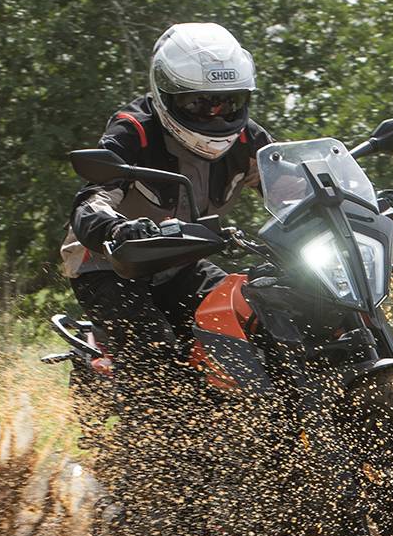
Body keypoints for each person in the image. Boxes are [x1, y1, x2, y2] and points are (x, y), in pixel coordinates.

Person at [61, 22, 272, 373]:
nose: (215, 114)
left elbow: (292, 187)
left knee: (249, 315)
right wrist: (117, 230)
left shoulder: (248, 141)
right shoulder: (135, 130)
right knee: (154, 350)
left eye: (228, 102)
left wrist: (348, 201)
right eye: (200, 102)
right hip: (111, 264)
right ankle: (149, 424)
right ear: (166, 92)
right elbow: (91, 201)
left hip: (182, 260)